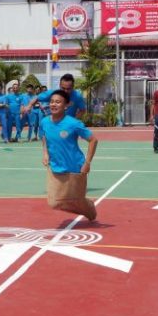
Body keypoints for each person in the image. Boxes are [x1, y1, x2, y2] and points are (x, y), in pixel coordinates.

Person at [40, 89, 98, 221]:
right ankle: (86, 206)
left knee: (76, 200)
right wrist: (45, 154)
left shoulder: (73, 123)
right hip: (55, 168)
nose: (54, 104)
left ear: (66, 105)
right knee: (54, 203)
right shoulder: (44, 122)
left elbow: (93, 140)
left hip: (75, 168)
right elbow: (43, 136)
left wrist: (87, 163)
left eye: (58, 102)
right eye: (52, 102)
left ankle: (89, 209)